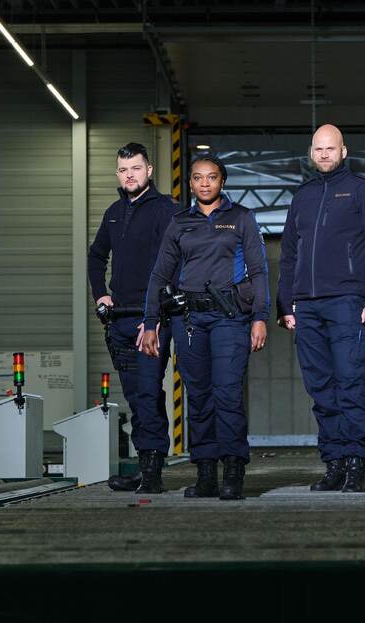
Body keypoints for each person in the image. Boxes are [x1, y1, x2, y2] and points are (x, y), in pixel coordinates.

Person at [141, 155, 269, 500]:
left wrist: (260, 317)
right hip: (189, 321)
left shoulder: (241, 218)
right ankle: (206, 474)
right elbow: (159, 274)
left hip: (231, 318)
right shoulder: (179, 223)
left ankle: (233, 472)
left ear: (222, 181)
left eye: (211, 177)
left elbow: (258, 271)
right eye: (198, 178)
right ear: (192, 183)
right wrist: (150, 322)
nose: (204, 183)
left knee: (227, 395)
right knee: (198, 398)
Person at [276, 124, 365, 493]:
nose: (324, 154)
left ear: (344, 151)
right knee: (320, 387)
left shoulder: (362, 190)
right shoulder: (303, 195)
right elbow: (289, 252)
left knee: (350, 383)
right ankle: (334, 463)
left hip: (346, 302)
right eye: (318, 149)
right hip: (306, 307)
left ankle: (356, 462)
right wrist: (285, 303)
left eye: (331, 148)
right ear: (311, 153)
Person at [87, 142, 176, 494]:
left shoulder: (166, 211)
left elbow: (173, 265)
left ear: (149, 170)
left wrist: (153, 316)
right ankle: (145, 467)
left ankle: (153, 473)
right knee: (136, 397)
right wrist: (101, 295)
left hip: (150, 319)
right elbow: (95, 257)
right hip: (119, 320)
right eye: (123, 170)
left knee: (149, 392)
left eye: (135, 169)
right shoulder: (113, 213)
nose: (129, 175)